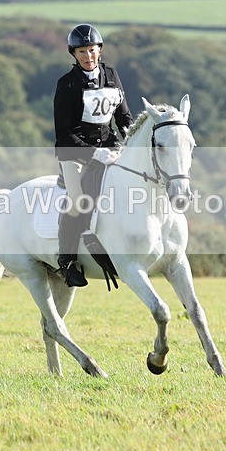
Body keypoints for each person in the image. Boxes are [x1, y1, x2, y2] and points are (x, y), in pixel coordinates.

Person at [53, 23, 133, 287]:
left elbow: (123, 118)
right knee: (78, 200)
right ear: (74, 55)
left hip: (111, 148)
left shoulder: (111, 74)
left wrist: (131, 142)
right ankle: (67, 261)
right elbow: (63, 134)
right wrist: (94, 154)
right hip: (75, 153)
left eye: (92, 50)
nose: (88, 56)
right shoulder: (67, 84)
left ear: (100, 50)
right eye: (82, 52)